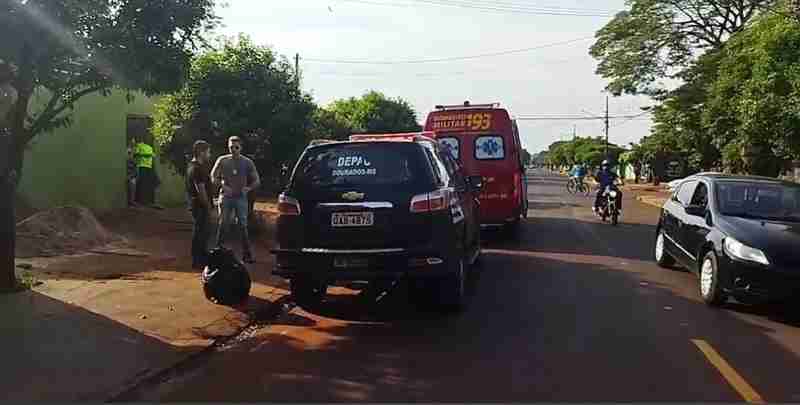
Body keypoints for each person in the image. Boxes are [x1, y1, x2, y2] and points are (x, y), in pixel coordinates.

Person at [211, 136, 261, 264]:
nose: (233, 150)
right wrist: (223, 186)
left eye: (236, 147)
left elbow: (256, 180)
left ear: (241, 148)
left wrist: (248, 188)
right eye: (231, 147)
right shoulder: (222, 160)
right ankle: (217, 252)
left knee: (242, 225)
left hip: (240, 197)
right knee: (224, 223)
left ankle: (246, 254)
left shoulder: (247, 162)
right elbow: (213, 176)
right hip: (226, 196)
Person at [187, 140, 214, 269]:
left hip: (197, 204)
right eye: (208, 152)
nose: (209, 154)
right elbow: (201, 190)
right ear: (201, 152)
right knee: (201, 232)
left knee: (201, 231)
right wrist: (208, 206)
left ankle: (200, 257)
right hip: (200, 205)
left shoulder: (194, 167)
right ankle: (198, 259)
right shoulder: (196, 168)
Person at [133, 136, 158, 206]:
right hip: (141, 166)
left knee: (145, 184)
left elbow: (153, 156)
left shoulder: (150, 147)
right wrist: (147, 155)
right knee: (140, 183)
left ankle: (144, 200)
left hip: (147, 167)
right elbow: (136, 154)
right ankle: (138, 200)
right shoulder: (140, 146)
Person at [126, 143, 138, 207]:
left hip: (132, 176)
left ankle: (132, 202)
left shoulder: (133, 161)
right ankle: (131, 202)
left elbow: (135, 170)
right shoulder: (128, 159)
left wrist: (131, 176)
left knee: (132, 186)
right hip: (129, 175)